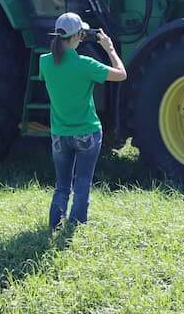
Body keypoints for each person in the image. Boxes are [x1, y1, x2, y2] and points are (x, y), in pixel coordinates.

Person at [39, 12, 126, 230]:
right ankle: (75, 227)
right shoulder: (86, 64)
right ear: (79, 35)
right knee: (82, 184)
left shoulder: (45, 62)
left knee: (61, 186)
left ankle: (54, 225)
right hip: (87, 132)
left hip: (60, 134)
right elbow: (121, 74)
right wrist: (110, 48)